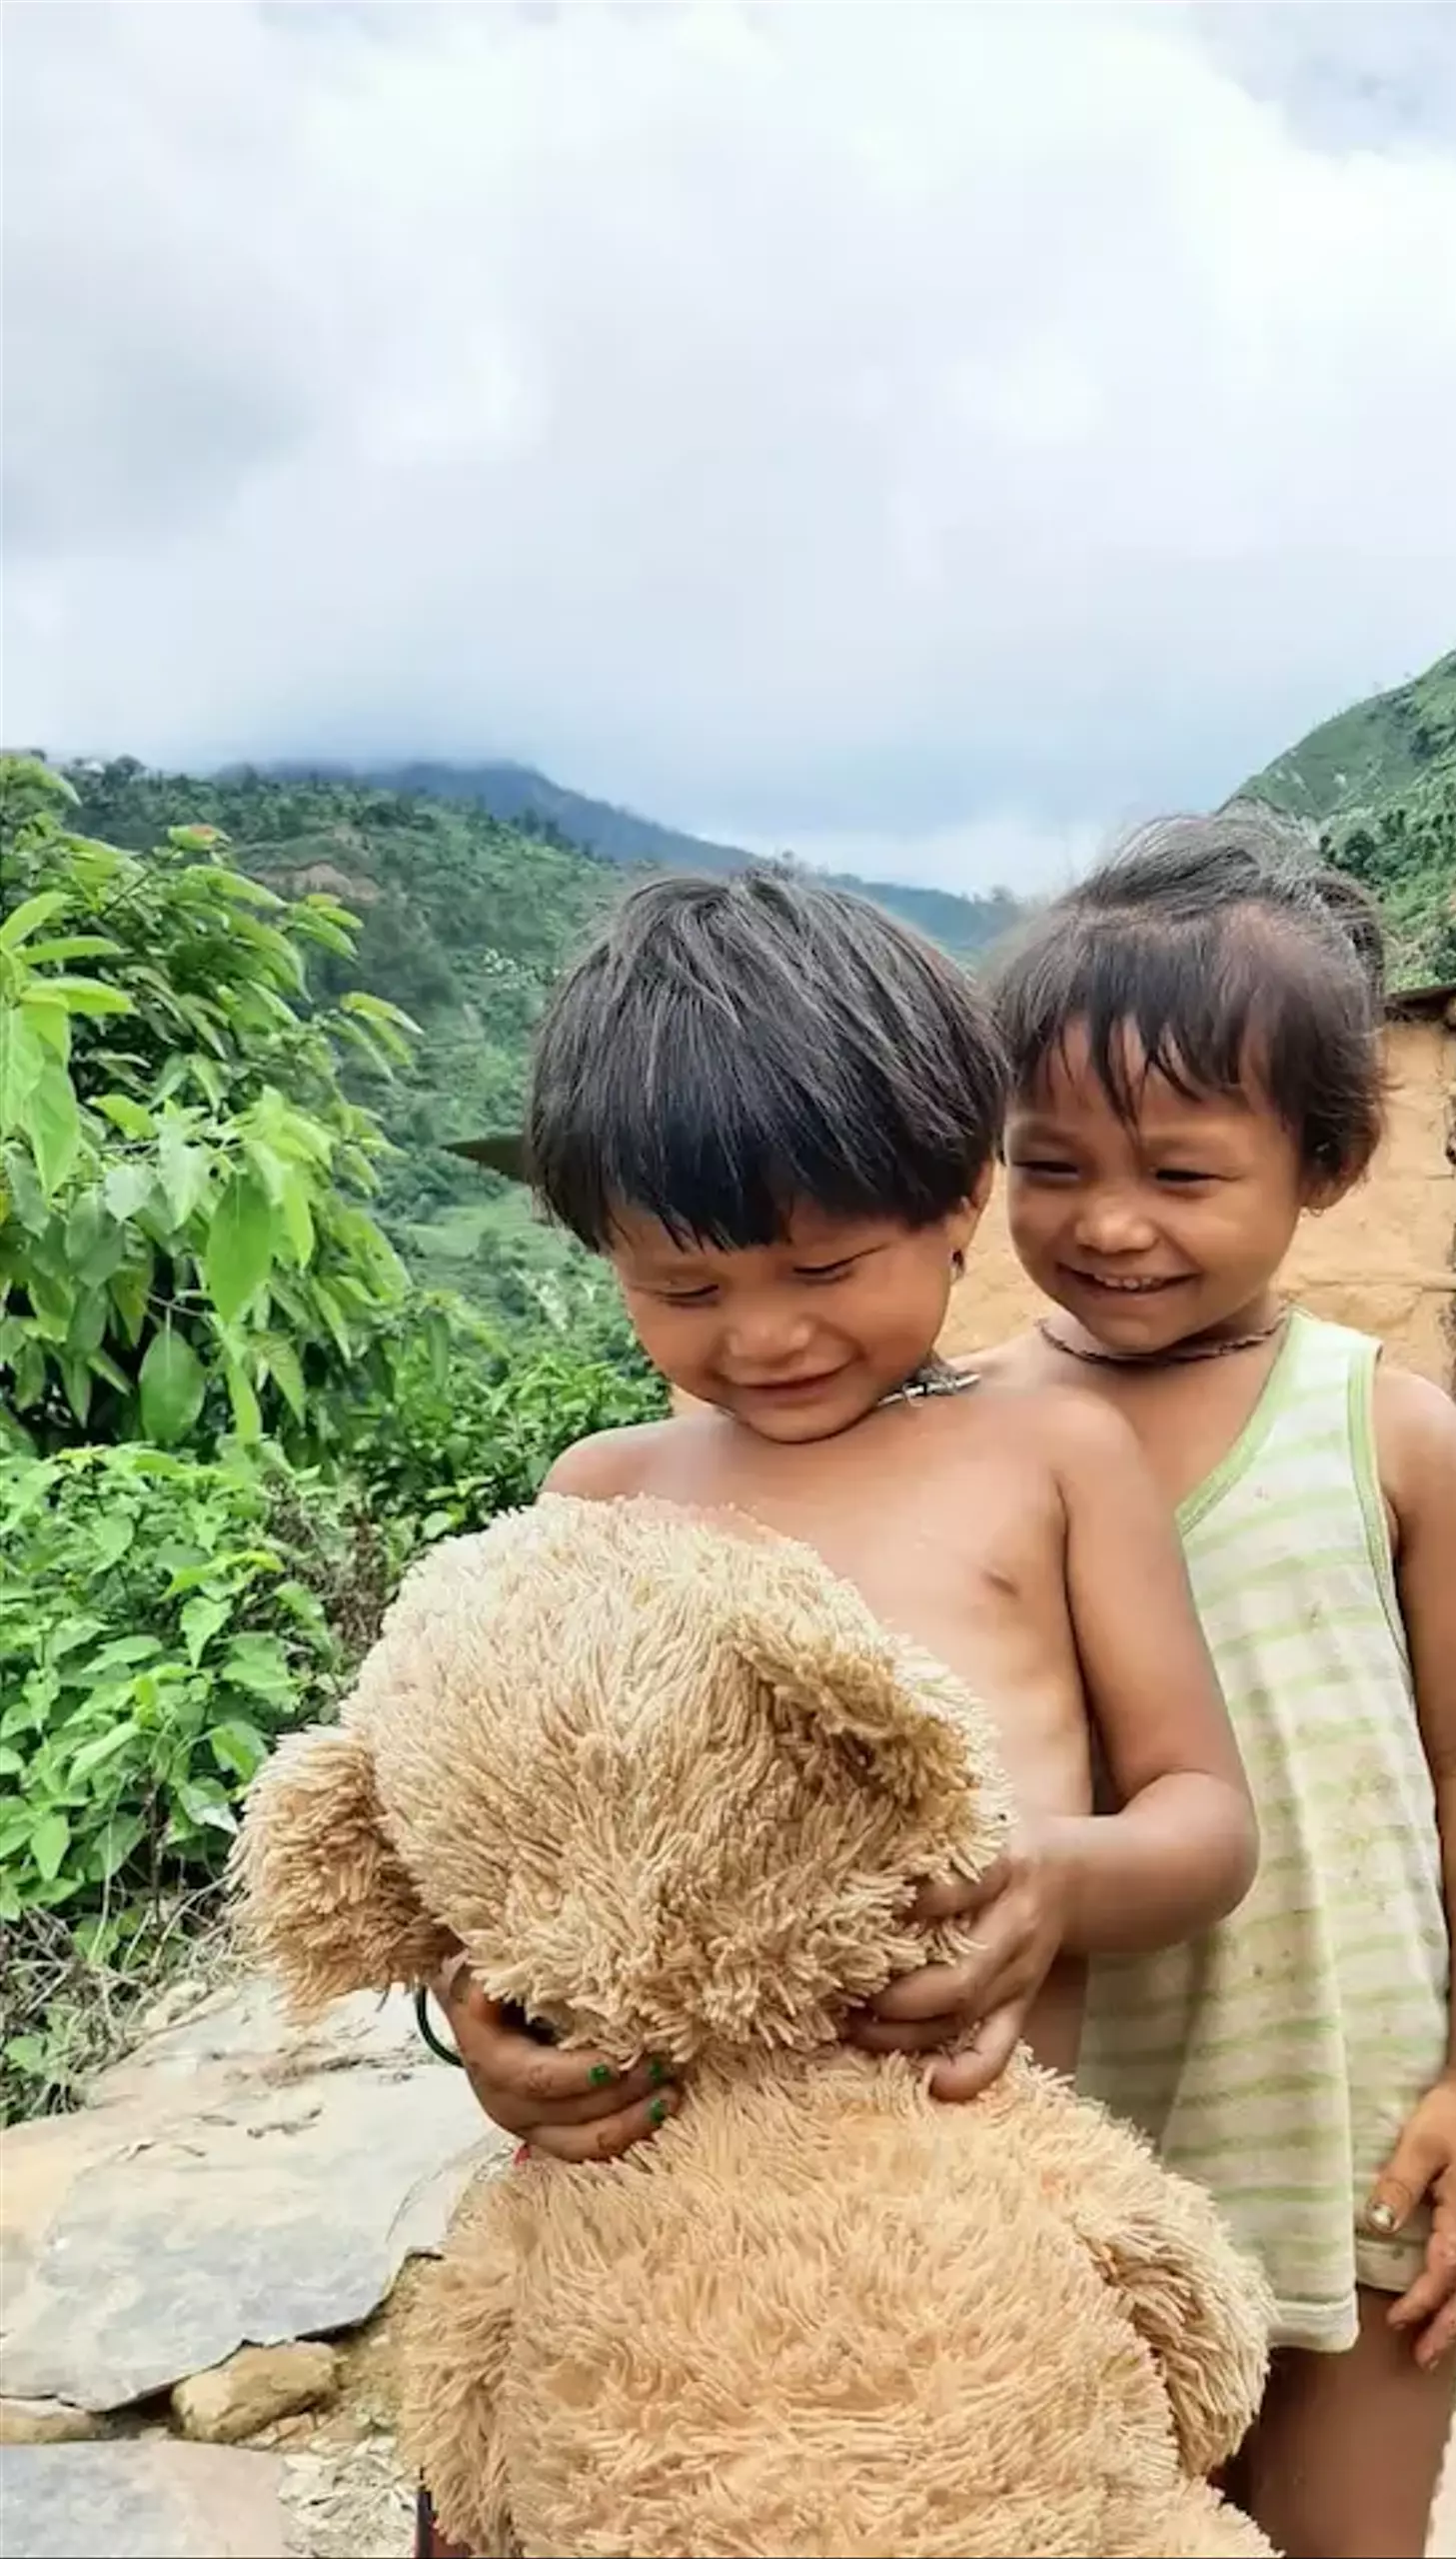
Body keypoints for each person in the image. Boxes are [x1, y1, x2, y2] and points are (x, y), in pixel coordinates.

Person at [417, 867, 1260, 2557]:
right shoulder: (601, 1490)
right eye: (685, 1287)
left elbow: (1204, 1816)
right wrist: (483, 2031)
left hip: (965, 2226)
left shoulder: (1049, 1459)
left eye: (820, 1262)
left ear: (959, 1195)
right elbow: (494, 1854)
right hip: (644, 2225)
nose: (767, 1333)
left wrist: (1057, 1885)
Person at [865, 807, 1456, 2559]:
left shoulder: (1384, 1432)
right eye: (1052, 1164)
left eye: (1181, 1174)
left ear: (1322, 1168)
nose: (1109, 1226)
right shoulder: (958, 1446)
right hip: (1061, 2125)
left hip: (1340, 2119)